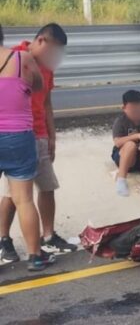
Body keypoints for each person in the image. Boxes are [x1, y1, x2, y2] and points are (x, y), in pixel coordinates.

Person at [0, 23, 76, 263]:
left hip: (38, 134)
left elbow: (47, 103)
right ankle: (6, 240)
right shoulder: (17, 57)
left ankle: (48, 235)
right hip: (20, 135)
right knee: (16, 196)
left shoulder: (45, 67)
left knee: (46, 186)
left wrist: (52, 137)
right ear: (41, 40)